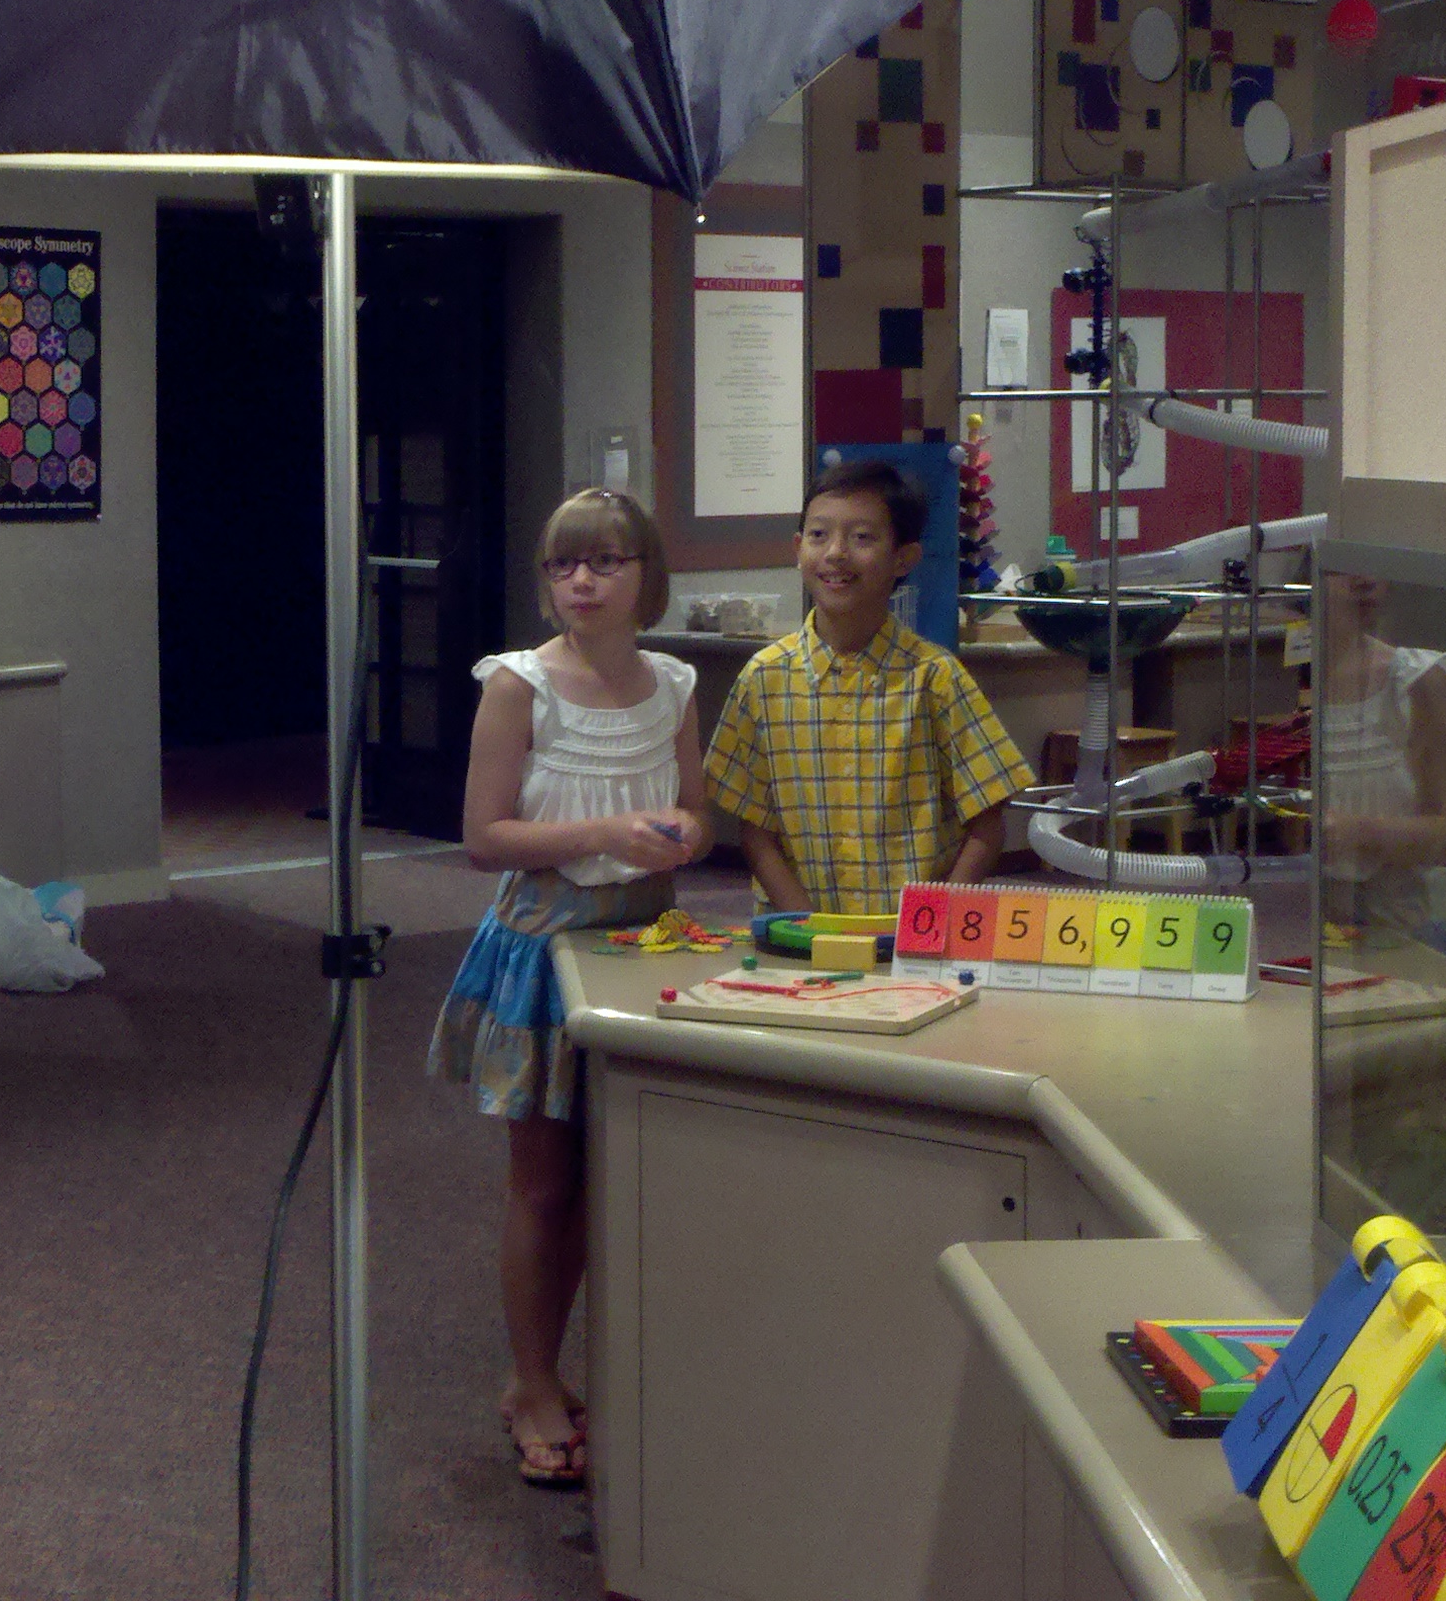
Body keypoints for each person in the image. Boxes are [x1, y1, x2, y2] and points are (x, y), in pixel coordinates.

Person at [428, 489, 709, 1490]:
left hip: (642, 945)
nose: (582, 581)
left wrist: (681, 834)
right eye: (563, 565)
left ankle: (561, 1367)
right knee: (542, 1182)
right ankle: (533, 1380)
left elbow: (695, 811)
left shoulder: (673, 683)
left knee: (605, 1175)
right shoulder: (518, 684)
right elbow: (483, 837)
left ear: (646, 576)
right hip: (544, 950)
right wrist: (603, 832)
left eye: (604, 562)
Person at [705, 460, 1031, 914]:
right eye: (819, 535)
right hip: (798, 936)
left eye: (861, 537)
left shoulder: (935, 678)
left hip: (909, 937)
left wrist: (933, 919)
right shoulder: (763, 679)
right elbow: (755, 828)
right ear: (798, 548)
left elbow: (988, 822)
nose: (836, 553)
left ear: (904, 558)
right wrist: (806, 923)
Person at [1316, 571, 1446, 954]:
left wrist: (1362, 832)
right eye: (1341, 565)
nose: (1364, 580)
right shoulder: (1272, 680)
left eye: (1374, 563)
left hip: (1399, 932)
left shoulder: (1417, 681)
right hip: (1298, 931)